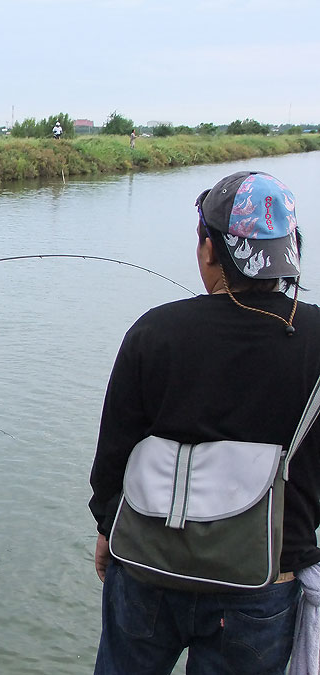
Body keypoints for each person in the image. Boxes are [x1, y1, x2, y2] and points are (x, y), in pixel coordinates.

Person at [89, 171, 320, 675]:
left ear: (211, 250)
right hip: (264, 581)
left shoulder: (156, 330)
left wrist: (108, 527)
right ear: (291, 250)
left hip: (147, 565)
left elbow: (113, 457)